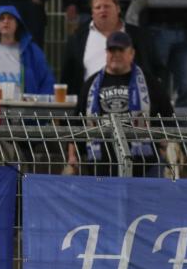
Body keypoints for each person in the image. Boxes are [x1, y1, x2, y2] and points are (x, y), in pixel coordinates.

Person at [69, 30, 174, 176]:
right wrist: (72, 157)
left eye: (121, 50)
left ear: (132, 53)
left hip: (144, 169)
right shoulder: (91, 84)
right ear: (106, 53)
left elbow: (168, 120)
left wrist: (168, 151)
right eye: (112, 50)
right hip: (101, 170)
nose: (116, 54)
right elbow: (76, 125)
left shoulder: (150, 83)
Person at [61, 0, 158, 96]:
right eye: (98, 7)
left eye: (107, 6)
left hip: (132, 100)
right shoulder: (77, 38)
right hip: (91, 102)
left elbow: (155, 68)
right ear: (92, 13)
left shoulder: (139, 36)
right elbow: (68, 75)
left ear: (118, 9)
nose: (102, 10)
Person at [0, 5, 55, 95]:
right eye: (1, 19)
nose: (6, 21)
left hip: (22, 103)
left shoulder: (31, 51)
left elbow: (47, 81)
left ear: (17, 23)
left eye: (10, 18)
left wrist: (38, 102)